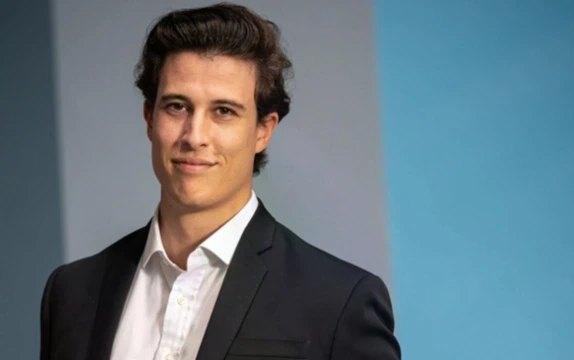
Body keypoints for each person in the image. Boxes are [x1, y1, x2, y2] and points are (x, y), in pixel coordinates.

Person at [39, 3, 401, 360]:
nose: (195, 136)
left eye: (223, 111)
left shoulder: (338, 301)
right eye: (176, 106)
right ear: (149, 118)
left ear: (264, 130)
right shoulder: (72, 292)